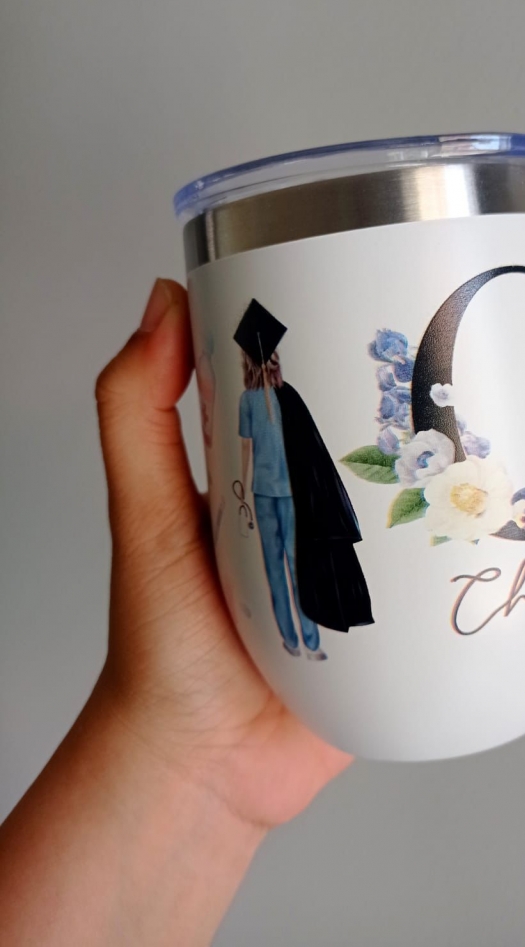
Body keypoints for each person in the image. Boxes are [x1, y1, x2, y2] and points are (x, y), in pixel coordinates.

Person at [0, 279, 351, 946]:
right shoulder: (254, 402)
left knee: (293, 571)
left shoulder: (279, 399)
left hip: (285, 498)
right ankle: (296, 635)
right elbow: (249, 452)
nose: (262, 366)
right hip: (266, 500)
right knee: (279, 570)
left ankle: (303, 635)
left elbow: (296, 452)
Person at [238, 349, 326, 660]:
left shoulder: (247, 401)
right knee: (297, 567)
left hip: (262, 492)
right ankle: (311, 643)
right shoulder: (285, 396)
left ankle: (290, 640)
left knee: (275, 569)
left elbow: (246, 448)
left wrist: (241, 485)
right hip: (289, 491)